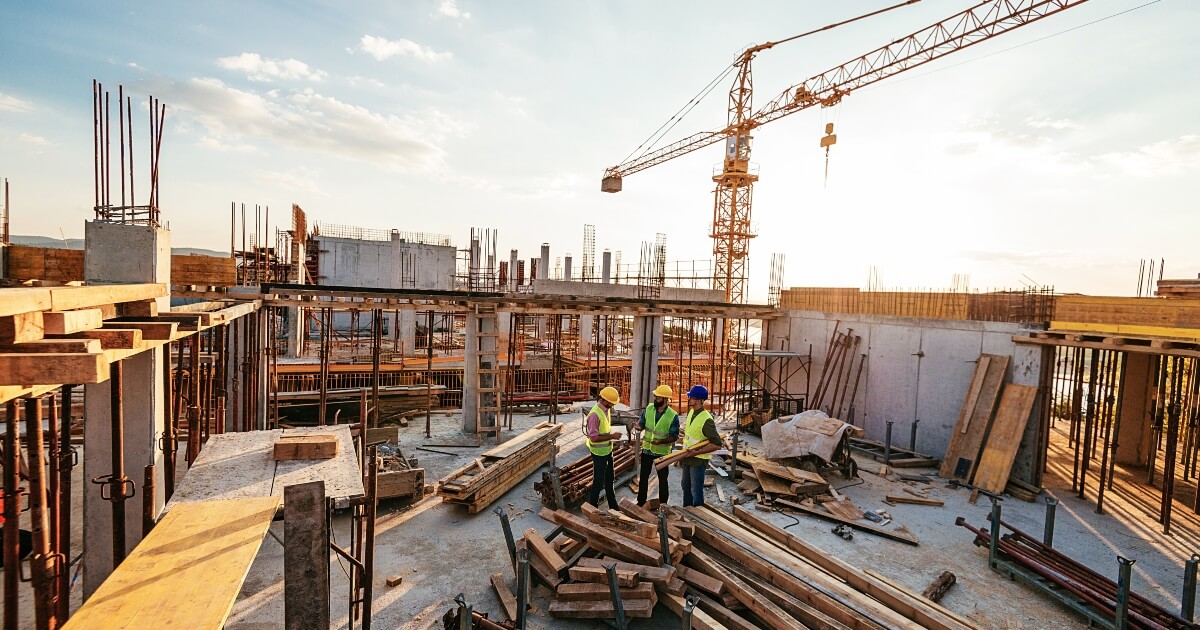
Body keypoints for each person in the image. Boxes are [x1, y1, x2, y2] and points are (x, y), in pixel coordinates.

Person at [680, 384, 722, 507]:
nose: (689, 399)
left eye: (691, 397)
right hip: (688, 456)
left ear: (698, 400)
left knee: (696, 490)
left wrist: (696, 453)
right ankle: (687, 511)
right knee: (685, 486)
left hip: (698, 460)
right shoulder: (692, 413)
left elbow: (717, 444)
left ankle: (698, 515)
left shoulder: (706, 419)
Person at [637, 384, 678, 507]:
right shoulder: (649, 409)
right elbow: (642, 424)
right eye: (655, 397)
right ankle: (641, 502)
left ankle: (663, 504)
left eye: (658, 398)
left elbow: (674, 436)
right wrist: (638, 427)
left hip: (662, 453)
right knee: (643, 478)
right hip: (647, 450)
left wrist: (661, 441)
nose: (655, 399)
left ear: (665, 399)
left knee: (662, 479)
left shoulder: (672, 416)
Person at [583, 386, 624, 508]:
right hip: (598, 452)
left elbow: (604, 429)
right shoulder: (594, 415)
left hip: (607, 450)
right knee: (598, 481)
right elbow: (594, 437)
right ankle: (592, 507)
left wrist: (612, 438)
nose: (613, 405)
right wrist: (612, 436)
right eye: (611, 403)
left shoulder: (606, 409)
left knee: (610, 478)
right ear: (605, 400)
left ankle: (613, 505)